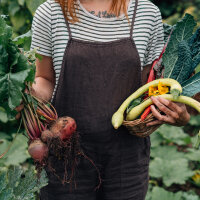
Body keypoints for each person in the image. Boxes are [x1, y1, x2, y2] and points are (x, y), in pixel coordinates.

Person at [29, 0, 190, 199]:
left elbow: (150, 88)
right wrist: (27, 94)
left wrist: (178, 112)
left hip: (127, 161)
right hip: (65, 156)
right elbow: (44, 78)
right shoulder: (51, 12)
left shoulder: (146, 13)